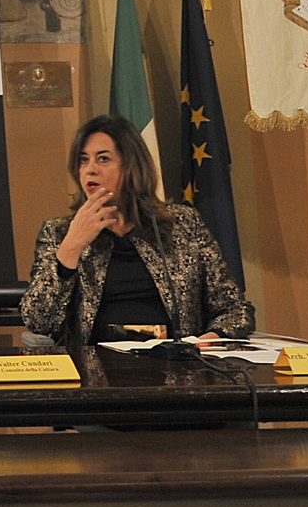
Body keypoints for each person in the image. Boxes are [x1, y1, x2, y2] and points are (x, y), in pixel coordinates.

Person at [21, 115, 253, 345]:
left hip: (176, 361)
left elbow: (234, 309)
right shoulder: (59, 232)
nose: (90, 170)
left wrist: (205, 342)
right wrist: (72, 246)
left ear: (131, 166)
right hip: (94, 363)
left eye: (103, 159)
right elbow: (38, 321)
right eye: (83, 160)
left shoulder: (183, 224)